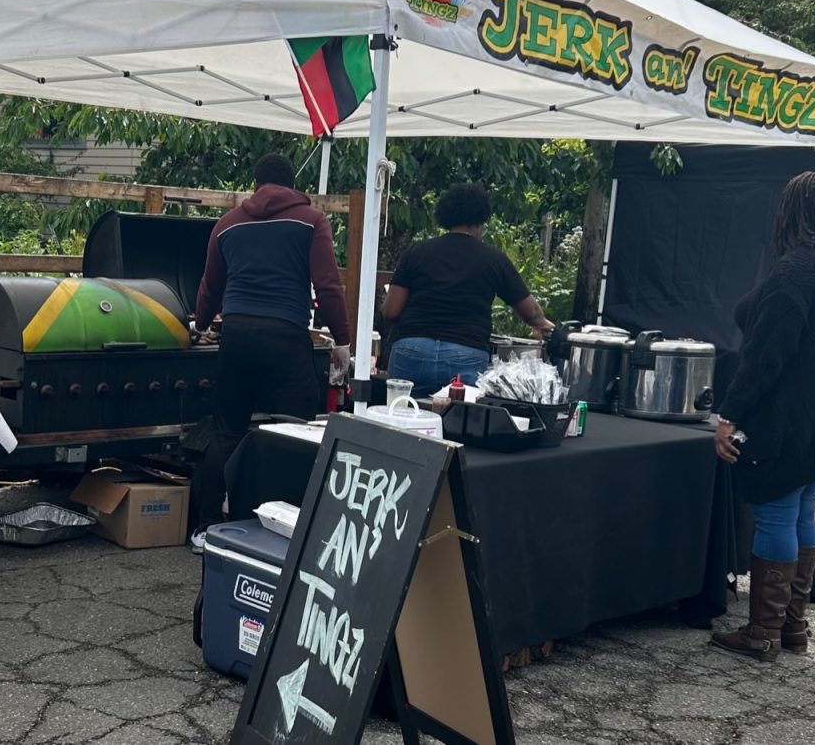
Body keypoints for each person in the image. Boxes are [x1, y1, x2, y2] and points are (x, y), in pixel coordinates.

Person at [711, 171, 815, 662]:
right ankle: (792, 627)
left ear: (791, 212)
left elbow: (764, 355)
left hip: (791, 420)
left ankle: (762, 632)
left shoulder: (797, 269)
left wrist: (729, 415)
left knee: (778, 513)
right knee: (801, 512)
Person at [190, 153, 350, 551]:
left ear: (255, 183)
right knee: (294, 431)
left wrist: (201, 325)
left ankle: (205, 528)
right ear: (292, 184)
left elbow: (210, 286)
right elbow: (328, 285)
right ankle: (288, 528)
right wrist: (342, 341)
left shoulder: (227, 224)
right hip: (286, 335)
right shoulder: (311, 220)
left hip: (238, 335)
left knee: (226, 430)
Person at [381, 183, 554, 397]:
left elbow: (391, 311)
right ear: (480, 221)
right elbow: (532, 313)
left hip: (412, 350)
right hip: (465, 354)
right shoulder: (494, 259)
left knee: (399, 418)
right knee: (458, 422)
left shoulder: (416, 252)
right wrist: (542, 325)